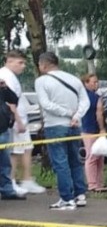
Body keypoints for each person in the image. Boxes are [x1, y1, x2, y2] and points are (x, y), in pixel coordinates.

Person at [33, 52, 89, 210]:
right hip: (75, 126)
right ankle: (80, 194)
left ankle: (66, 198)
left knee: (60, 162)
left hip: (55, 125)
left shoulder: (41, 81)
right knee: (75, 160)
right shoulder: (74, 79)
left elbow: (46, 104)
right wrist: (76, 116)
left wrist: (67, 113)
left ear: (44, 64)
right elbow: (85, 101)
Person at [0, 51, 46, 195]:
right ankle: (11, 181)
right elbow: (10, 102)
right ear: (9, 61)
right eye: (20, 63)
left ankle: (25, 179)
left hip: (18, 119)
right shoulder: (6, 75)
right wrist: (18, 121)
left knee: (25, 148)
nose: (23, 66)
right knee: (13, 152)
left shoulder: (11, 77)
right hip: (12, 121)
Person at [80, 73, 107, 192]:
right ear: (86, 83)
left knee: (97, 157)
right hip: (93, 129)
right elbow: (99, 114)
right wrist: (102, 128)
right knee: (93, 157)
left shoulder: (80, 97)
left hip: (85, 129)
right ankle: (93, 184)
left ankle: (97, 183)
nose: (97, 84)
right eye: (94, 82)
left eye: (97, 81)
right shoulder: (96, 97)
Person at [0, 79, 26, 200]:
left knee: (5, 163)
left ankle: (7, 190)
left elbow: (14, 100)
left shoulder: (2, 88)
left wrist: (5, 87)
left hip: (3, 129)